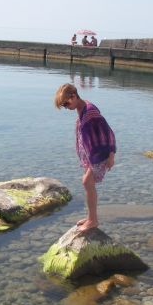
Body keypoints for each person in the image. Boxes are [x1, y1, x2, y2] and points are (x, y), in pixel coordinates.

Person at [54, 83, 116, 232]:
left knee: (87, 182)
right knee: (88, 183)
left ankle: (93, 220)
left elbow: (108, 132)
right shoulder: (81, 108)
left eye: (66, 104)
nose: (66, 107)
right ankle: (90, 218)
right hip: (92, 156)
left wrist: (111, 155)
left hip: (101, 153)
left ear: (74, 96)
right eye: (63, 106)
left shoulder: (90, 112)